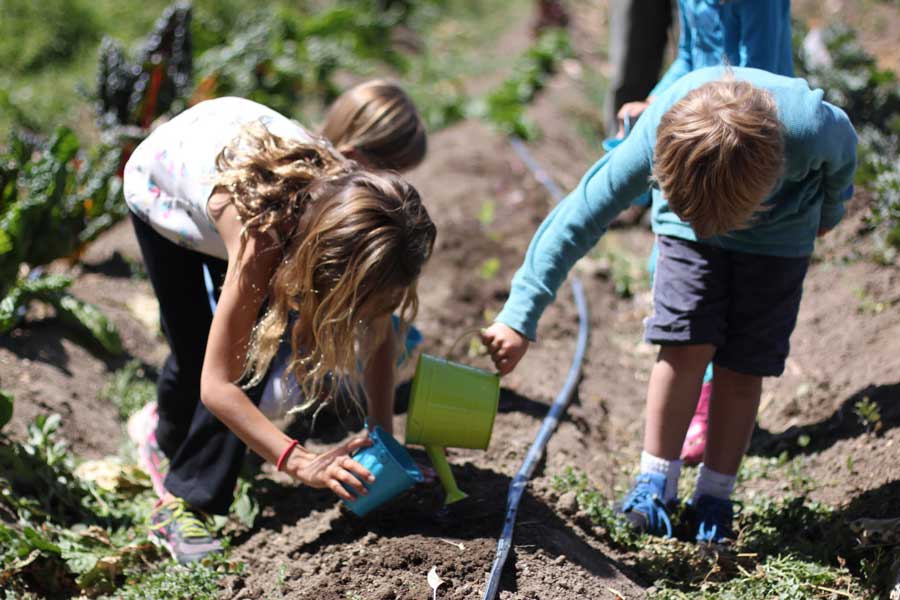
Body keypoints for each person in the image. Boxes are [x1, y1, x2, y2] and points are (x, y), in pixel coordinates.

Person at [482, 66, 857, 542]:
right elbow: (578, 214)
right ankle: (655, 483)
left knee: (745, 365)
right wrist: (519, 316)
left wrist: (829, 213)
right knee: (682, 343)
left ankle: (715, 497)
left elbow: (843, 161)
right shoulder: (659, 130)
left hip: (780, 237)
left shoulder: (810, 128)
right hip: (684, 235)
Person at [123, 82, 435, 563]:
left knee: (238, 344)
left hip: (226, 165)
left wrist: (383, 438)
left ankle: (174, 438)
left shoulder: (364, 212)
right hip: (165, 191)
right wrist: (299, 461)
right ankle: (183, 500)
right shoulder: (262, 237)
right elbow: (218, 386)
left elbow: (378, 333)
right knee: (215, 355)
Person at [612, 0, 795, 465]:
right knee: (676, 271)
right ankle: (695, 392)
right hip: (705, 131)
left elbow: (762, 74)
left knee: (729, 282)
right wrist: (656, 100)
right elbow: (691, 57)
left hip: (744, 141)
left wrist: (692, 114)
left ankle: (711, 399)